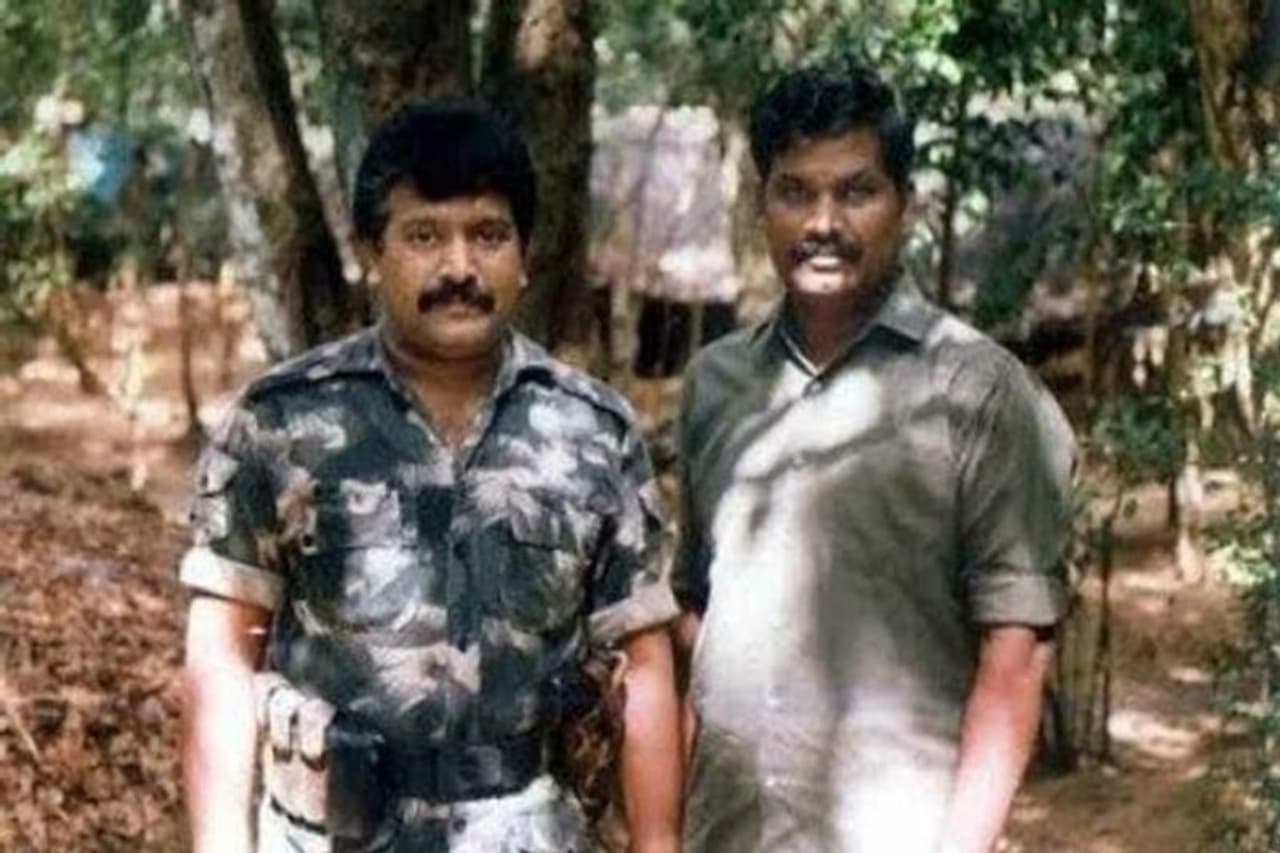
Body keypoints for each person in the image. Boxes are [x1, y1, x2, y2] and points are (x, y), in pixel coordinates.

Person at [180, 99, 683, 853]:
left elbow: (642, 661)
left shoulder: (592, 432)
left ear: (524, 255)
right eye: (423, 235)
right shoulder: (280, 422)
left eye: (489, 235)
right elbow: (221, 655)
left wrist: (657, 842)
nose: (459, 269)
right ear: (371, 252)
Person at [673, 59, 1075, 853]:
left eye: (856, 191)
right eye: (795, 191)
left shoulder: (981, 391)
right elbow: (697, 616)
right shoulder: (715, 383)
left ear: (905, 205)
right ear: (762, 204)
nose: (823, 221)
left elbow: (1018, 651)